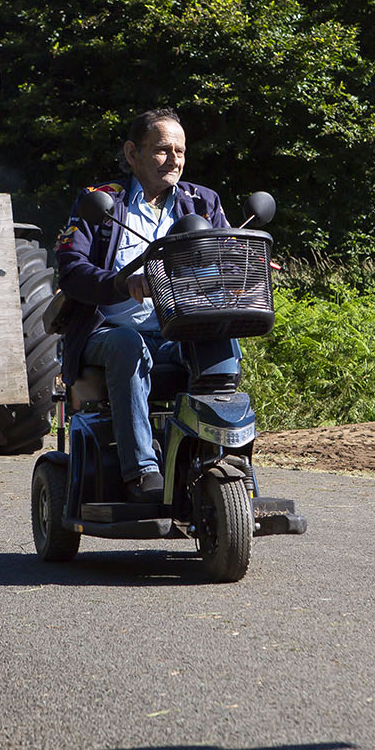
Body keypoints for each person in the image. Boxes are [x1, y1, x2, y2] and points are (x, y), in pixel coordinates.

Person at [54, 108, 238, 503]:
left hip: (177, 331)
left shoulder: (202, 203)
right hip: (106, 333)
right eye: (162, 150)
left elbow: (224, 260)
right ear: (132, 152)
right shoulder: (99, 202)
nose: (174, 160)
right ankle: (141, 472)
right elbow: (71, 271)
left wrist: (246, 265)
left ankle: (222, 459)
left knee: (220, 343)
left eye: (180, 151)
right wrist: (122, 283)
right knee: (127, 344)